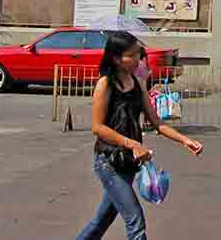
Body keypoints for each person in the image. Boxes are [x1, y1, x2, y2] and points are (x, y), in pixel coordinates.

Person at [76, 32, 202, 240]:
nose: (138, 60)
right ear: (117, 58)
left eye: (139, 54)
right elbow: (97, 127)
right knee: (135, 220)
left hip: (128, 163)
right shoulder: (105, 84)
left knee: (102, 220)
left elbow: (157, 123)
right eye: (132, 55)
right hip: (109, 162)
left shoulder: (138, 83)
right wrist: (131, 143)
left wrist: (185, 140)